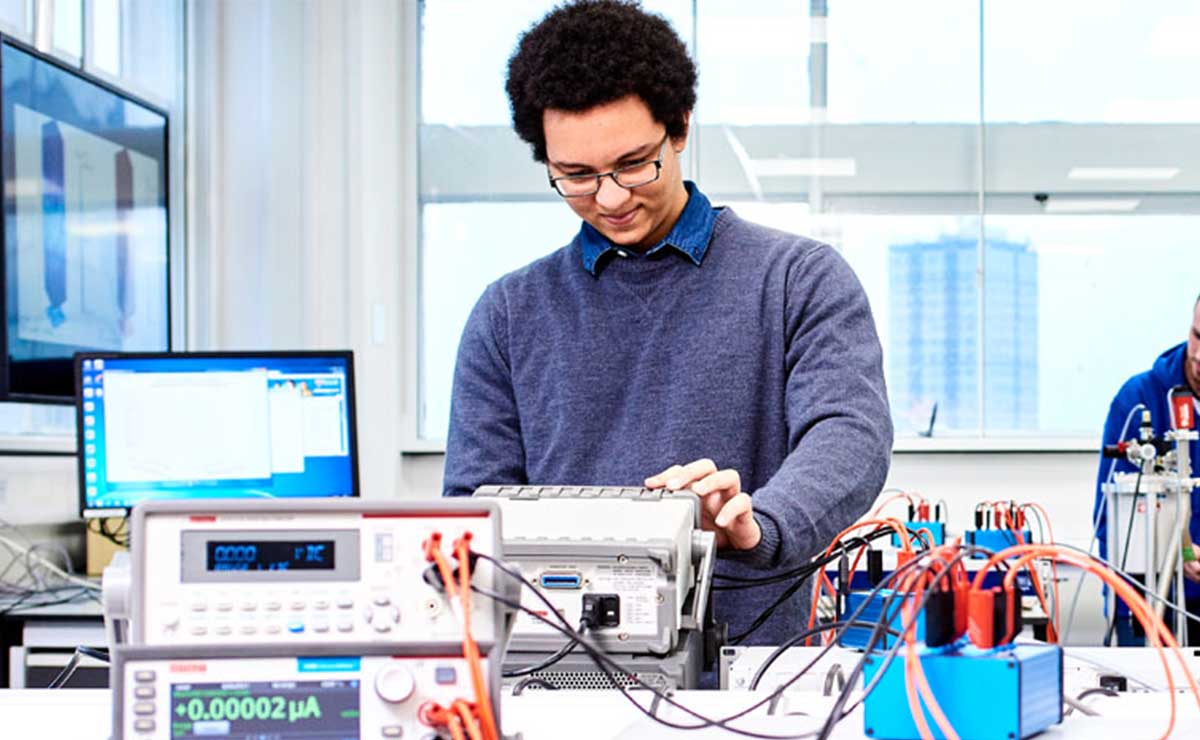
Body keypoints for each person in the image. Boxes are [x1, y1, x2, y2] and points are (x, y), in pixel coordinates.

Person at [442, 0, 893, 648]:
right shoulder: (508, 315)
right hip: (551, 676)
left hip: (750, 677)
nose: (611, 197)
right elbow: (472, 512)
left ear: (678, 127)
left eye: (634, 164)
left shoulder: (797, 279)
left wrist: (757, 525)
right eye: (576, 176)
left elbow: (851, 435)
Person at [1093, 292, 1200, 644]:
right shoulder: (1139, 399)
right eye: (1197, 336)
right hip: (1147, 605)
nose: (1199, 356)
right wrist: (1177, 553)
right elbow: (1110, 518)